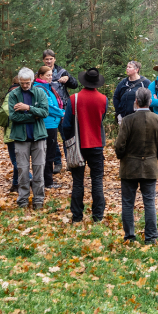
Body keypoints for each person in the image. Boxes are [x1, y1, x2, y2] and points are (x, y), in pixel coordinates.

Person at [114, 88, 158, 244]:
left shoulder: (128, 120)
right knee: (149, 202)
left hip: (129, 166)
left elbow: (119, 145)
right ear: (150, 101)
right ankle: (151, 237)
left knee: (128, 203)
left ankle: (129, 237)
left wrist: (122, 157)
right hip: (150, 166)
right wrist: (153, 156)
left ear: (136, 102)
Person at [65, 68, 108, 223]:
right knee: (97, 181)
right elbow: (101, 119)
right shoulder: (104, 99)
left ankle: (77, 217)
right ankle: (98, 216)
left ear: (83, 82)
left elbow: (66, 125)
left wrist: (67, 141)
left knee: (78, 182)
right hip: (97, 145)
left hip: (78, 145)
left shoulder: (73, 99)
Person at [6, 68, 50, 209]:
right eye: (23, 83)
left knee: (38, 171)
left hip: (39, 137)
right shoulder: (13, 94)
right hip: (20, 138)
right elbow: (14, 117)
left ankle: (38, 200)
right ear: (19, 81)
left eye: (27, 83)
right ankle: (23, 201)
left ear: (32, 80)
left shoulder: (39, 93)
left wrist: (28, 108)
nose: (25, 85)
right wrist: (34, 116)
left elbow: (44, 112)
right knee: (23, 171)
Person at [42, 49, 78, 173]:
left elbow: (75, 85)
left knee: (67, 136)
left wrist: (68, 79)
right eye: (46, 59)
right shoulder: (40, 73)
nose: (48, 61)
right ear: (43, 60)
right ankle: (57, 162)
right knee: (52, 139)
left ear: (54, 59)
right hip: (49, 112)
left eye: (51, 59)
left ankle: (70, 161)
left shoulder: (62, 72)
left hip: (64, 111)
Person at [34, 66, 66, 189]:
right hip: (47, 124)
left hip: (52, 123)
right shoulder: (40, 88)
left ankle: (46, 179)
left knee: (49, 153)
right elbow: (48, 107)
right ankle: (47, 181)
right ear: (40, 76)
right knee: (48, 154)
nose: (50, 77)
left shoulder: (48, 87)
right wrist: (62, 113)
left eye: (51, 75)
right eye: (47, 75)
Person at [0, 78, 22, 192]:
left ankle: (30, 178)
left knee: (16, 160)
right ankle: (15, 184)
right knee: (19, 160)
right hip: (23, 132)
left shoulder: (10, 94)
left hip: (12, 132)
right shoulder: (28, 93)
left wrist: (3, 123)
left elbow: (4, 112)